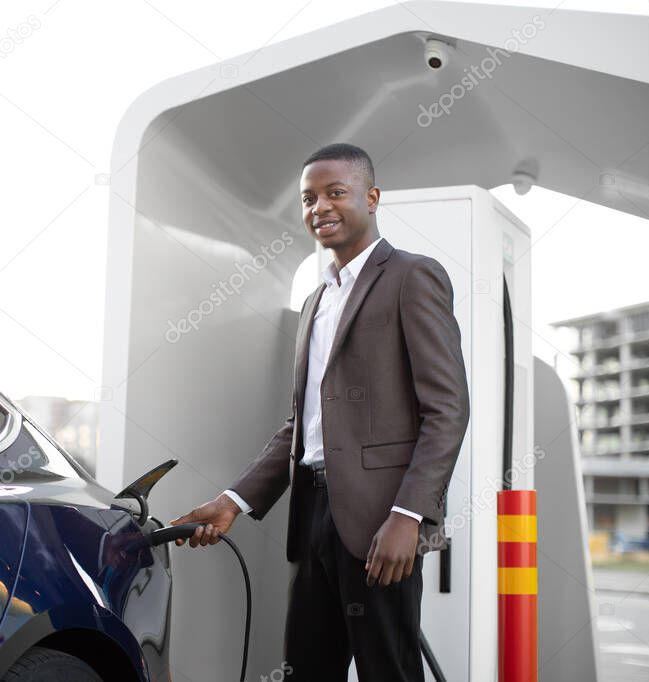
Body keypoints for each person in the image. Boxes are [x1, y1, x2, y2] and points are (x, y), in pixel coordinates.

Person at [170, 143, 470, 681]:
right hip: (312, 514)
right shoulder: (315, 303)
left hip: (382, 519)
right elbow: (301, 425)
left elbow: (447, 409)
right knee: (305, 668)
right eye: (309, 199)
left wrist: (409, 517)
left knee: (390, 671)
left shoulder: (412, 277)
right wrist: (233, 500)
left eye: (336, 193)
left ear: (372, 198)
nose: (320, 208)